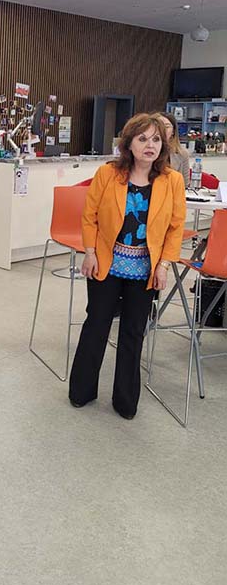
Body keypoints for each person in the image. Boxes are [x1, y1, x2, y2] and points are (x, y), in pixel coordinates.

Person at [69, 112, 186, 420]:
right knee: (97, 325)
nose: (150, 145)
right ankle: (81, 391)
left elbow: (175, 228)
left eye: (156, 139)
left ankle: (125, 400)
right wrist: (90, 252)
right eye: (142, 138)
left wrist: (164, 265)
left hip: (145, 268)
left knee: (133, 332)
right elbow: (89, 216)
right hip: (106, 261)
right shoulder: (108, 173)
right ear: (129, 143)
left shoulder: (172, 180)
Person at [159, 111, 190, 186]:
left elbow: (185, 184)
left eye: (166, 126)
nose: (162, 129)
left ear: (173, 131)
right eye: (159, 126)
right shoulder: (146, 151)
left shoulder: (182, 153)